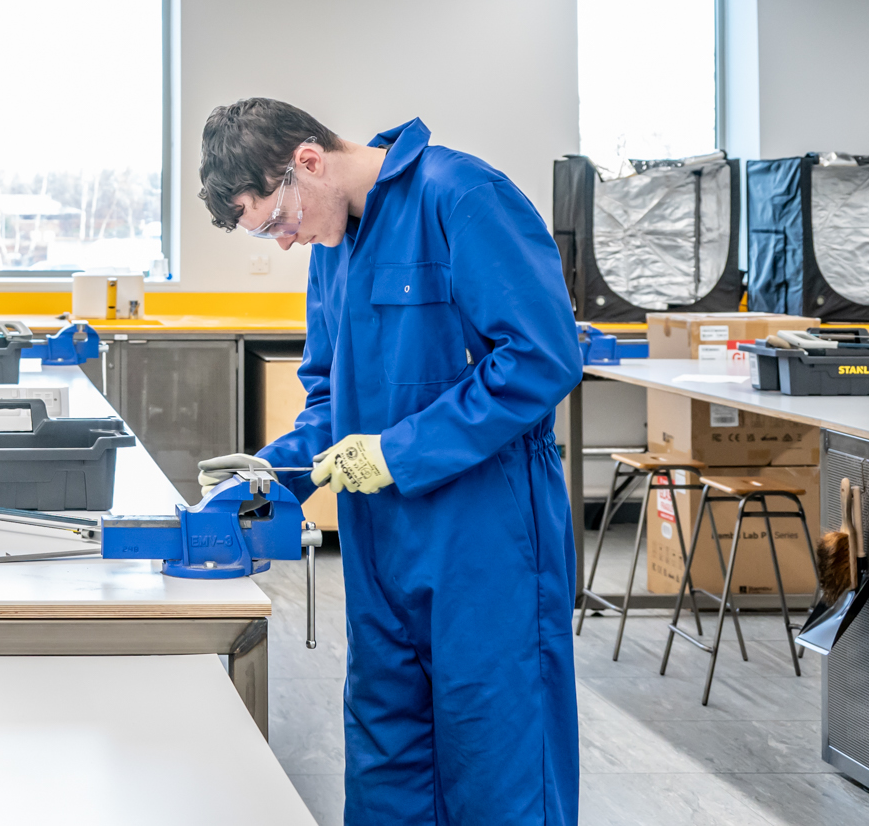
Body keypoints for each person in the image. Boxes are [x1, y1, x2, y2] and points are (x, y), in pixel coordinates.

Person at [195, 100, 580, 826]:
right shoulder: (333, 249)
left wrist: (398, 450)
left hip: (485, 545)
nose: (283, 241)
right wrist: (268, 477)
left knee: (498, 768)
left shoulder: (460, 196)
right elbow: (328, 399)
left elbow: (543, 356)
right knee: (386, 771)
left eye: (277, 220)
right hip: (381, 552)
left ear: (307, 161)